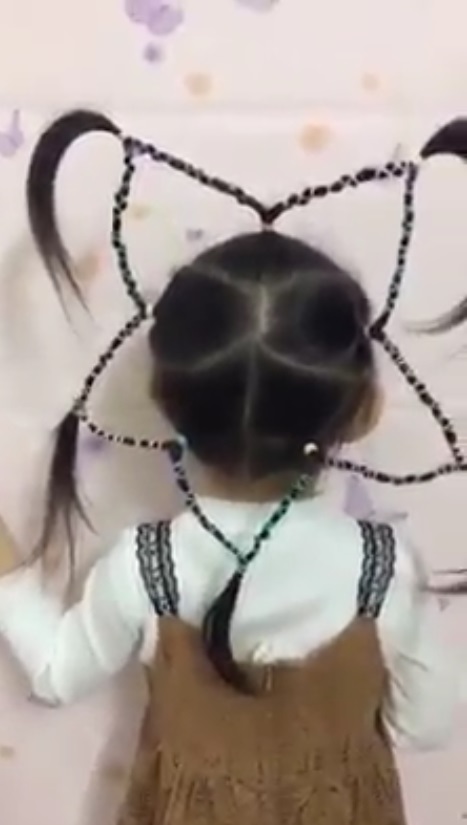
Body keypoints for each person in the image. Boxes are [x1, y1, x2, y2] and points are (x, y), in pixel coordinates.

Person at [0, 118, 461, 825]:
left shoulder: (145, 566)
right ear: (363, 409)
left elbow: (57, 673)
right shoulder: (381, 566)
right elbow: (424, 723)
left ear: (164, 398)